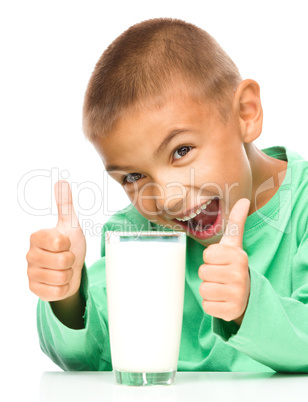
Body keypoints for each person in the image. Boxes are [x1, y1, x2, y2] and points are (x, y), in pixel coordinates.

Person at [26, 18, 308, 372]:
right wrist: (65, 295)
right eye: (133, 176)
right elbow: (90, 359)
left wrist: (249, 304)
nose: (168, 199)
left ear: (246, 113)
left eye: (181, 151)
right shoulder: (137, 235)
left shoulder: (303, 210)